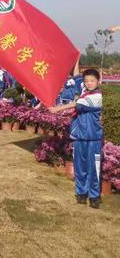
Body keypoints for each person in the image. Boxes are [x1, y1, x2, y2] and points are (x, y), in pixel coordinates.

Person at [51, 67, 103, 209]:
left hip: (93, 139)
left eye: (92, 80)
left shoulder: (97, 97)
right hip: (79, 137)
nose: (89, 83)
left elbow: (78, 104)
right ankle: (81, 193)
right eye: (87, 81)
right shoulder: (84, 91)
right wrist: (76, 61)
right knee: (80, 168)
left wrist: (57, 108)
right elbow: (76, 77)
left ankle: (94, 196)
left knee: (94, 169)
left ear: (98, 81)